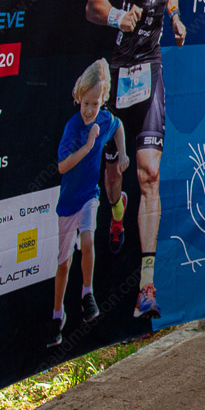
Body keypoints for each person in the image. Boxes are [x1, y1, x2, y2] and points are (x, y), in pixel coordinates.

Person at [86, 0, 186, 319]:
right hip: (118, 70)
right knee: (114, 176)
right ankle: (117, 213)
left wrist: (176, 17)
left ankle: (147, 287)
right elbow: (92, 2)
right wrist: (116, 17)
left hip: (151, 69)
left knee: (149, 175)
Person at [50, 60, 129, 348]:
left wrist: (122, 154)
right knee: (63, 265)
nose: (89, 110)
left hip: (88, 197)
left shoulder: (105, 121)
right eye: (86, 104)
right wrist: (87, 146)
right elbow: (62, 166)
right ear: (78, 98)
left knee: (87, 240)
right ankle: (57, 315)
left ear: (102, 101)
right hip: (67, 204)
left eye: (95, 104)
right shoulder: (73, 128)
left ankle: (88, 294)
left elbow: (118, 126)